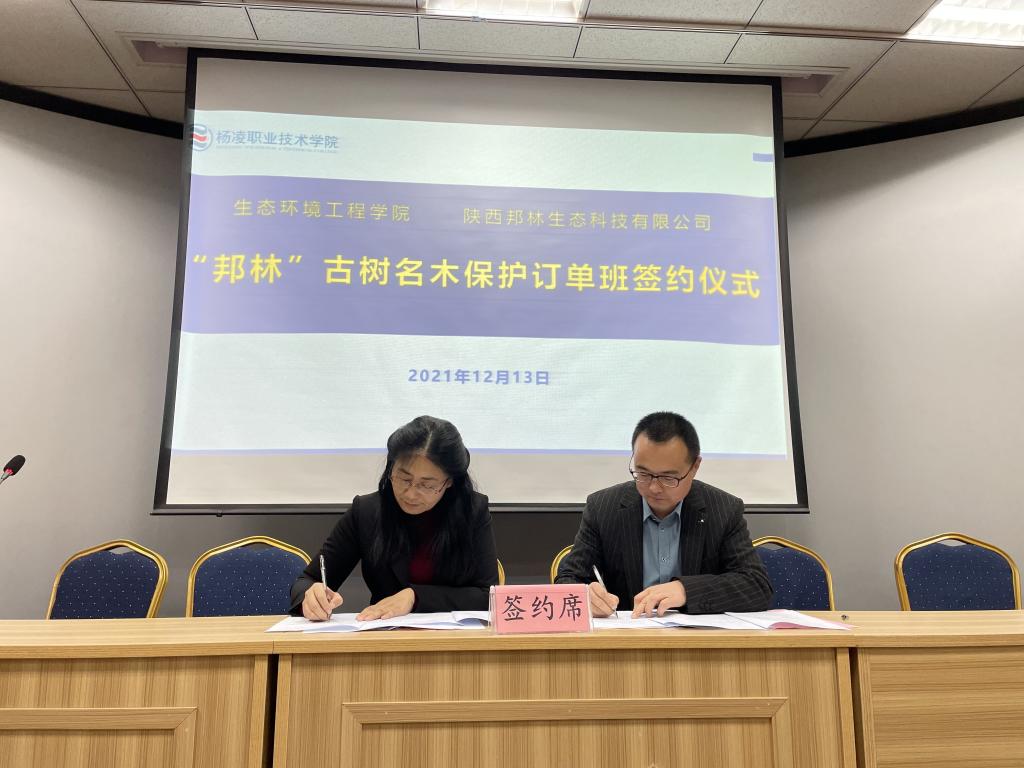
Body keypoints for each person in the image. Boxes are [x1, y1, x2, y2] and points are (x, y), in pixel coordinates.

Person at [556, 411, 771, 617]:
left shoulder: (724, 509)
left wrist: (686, 590)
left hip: (697, 639)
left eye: (669, 478)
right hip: (627, 637)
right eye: (643, 473)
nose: (654, 488)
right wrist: (586, 596)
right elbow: (568, 578)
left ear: (695, 466)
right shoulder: (603, 508)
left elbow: (757, 585)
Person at [291, 415, 498, 621]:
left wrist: (415, 597)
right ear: (391, 468)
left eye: (427, 485)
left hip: (453, 638)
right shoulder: (367, 511)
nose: (411, 494)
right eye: (404, 478)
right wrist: (311, 596)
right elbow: (307, 580)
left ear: (449, 482)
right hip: (384, 633)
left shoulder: (472, 511)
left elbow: (488, 596)